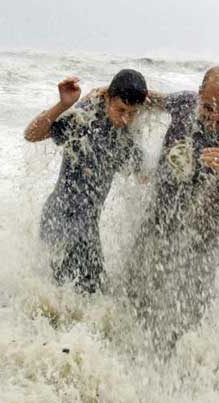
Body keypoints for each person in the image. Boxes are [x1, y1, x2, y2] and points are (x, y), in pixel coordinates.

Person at [125, 66, 219, 354]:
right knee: (132, 306)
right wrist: (111, 95)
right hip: (155, 231)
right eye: (208, 107)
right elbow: (150, 100)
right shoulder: (184, 104)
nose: (214, 117)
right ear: (198, 95)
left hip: (200, 249)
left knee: (184, 333)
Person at [24, 69, 148, 294]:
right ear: (108, 98)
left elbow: (142, 175)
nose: (125, 118)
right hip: (61, 219)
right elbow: (31, 135)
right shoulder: (85, 119)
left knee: (75, 299)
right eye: (120, 110)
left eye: (132, 113)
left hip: (86, 228)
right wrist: (63, 105)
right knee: (88, 297)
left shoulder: (125, 136)